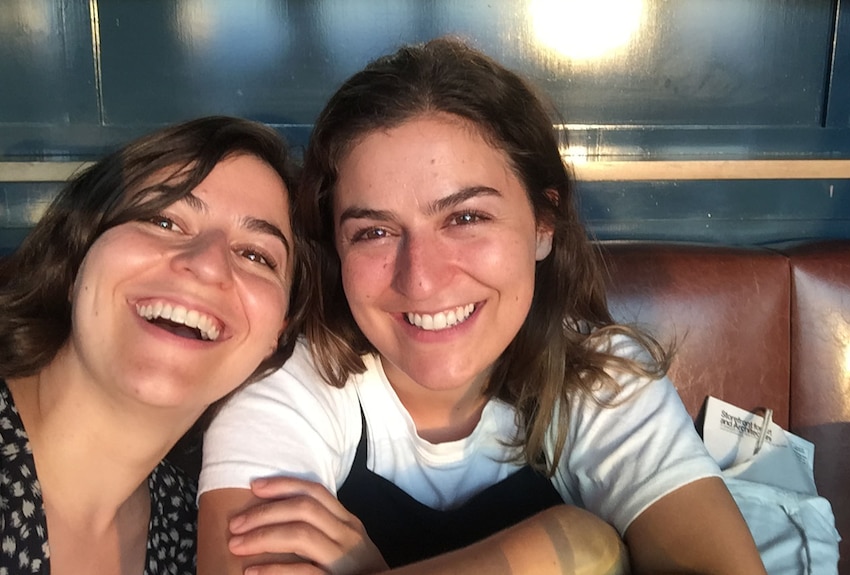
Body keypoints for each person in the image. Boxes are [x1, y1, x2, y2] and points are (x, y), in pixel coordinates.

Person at [197, 38, 767, 574]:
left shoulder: (602, 378)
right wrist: (569, 545)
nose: (420, 280)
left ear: (544, 223)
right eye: (373, 232)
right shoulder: (291, 386)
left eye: (466, 218)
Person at [0, 116, 307, 574]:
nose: (207, 265)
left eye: (256, 255)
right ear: (77, 258)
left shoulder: (194, 535)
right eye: (163, 220)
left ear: (275, 338)